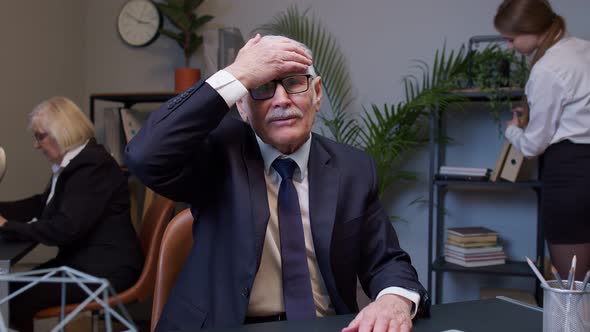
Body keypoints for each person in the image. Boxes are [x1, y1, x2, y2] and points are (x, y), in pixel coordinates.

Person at [126, 35, 429, 332]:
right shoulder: (217, 154)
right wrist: (238, 74)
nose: (281, 100)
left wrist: (394, 300)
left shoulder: (353, 168)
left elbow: (386, 260)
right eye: (263, 87)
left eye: (295, 83)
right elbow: (144, 155)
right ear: (242, 107)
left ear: (317, 94)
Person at [0, 97, 143, 331]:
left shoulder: (90, 167)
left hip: (103, 270)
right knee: (7, 292)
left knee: (11, 298)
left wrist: (8, 226)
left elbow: (65, 229)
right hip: (85, 264)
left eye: (40, 136)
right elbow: (42, 205)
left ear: (61, 131)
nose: (37, 145)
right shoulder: (79, 162)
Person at [495, 0, 590, 281]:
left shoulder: (547, 68)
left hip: (570, 175)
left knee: (571, 287)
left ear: (530, 30)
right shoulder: (585, 49)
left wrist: (512, 129)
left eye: (511, 39)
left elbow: (533, 145)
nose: (509, 47)